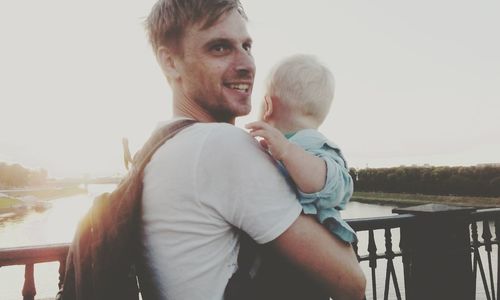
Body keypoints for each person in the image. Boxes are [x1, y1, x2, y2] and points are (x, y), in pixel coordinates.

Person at [142, 1, 366, 299]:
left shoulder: (159, 146)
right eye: (219, 47)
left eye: (246, 46)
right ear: (170, 62)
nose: (246, 64)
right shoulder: (221, 145)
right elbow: (350, 282)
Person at [246, 54, 357, 245]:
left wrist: (287, 152)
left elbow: (335, 187)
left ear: (268, 106)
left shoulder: (312, 144)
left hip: (311, 259)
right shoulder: (273, 147)